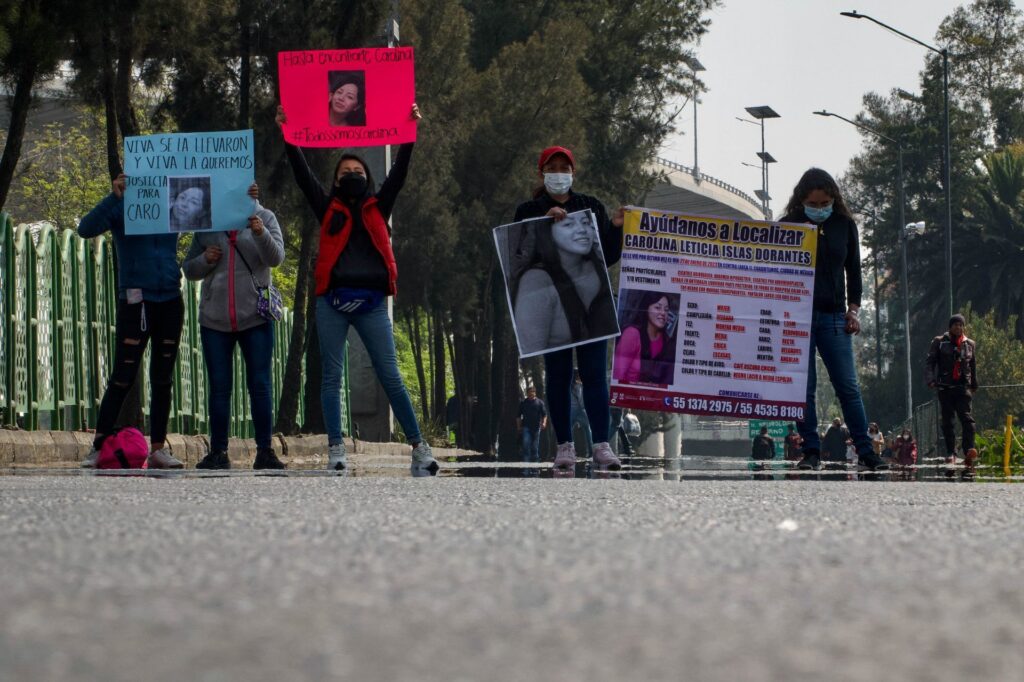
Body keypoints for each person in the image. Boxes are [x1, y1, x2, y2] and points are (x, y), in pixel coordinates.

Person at [276, 103, 437, 473]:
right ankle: (336, 450)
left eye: (357, 170)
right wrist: (288, 133)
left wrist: (409, 131)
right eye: (345, 171)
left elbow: (399, 173)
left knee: (391, 375)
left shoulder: (380, 206)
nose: (351, 174)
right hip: (331, 302)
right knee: (331, 377)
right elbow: (302, 176)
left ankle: (420, 447)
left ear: (367, 179)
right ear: (335, 181)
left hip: (372, 303)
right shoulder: (327, 206)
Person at [513, 145, 625, 470]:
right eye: (553, 167)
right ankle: (564, 446)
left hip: (592, 305)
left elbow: (608, 255)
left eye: (565, 167)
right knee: (558, 375)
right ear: (542, 172)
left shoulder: (589, 206)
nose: (559, 172)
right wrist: (540, 222)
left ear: (573, 173)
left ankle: (602, 445)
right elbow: (518, 253)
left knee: (594, 374)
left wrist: (616, 227)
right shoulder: (528, 209)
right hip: (552, 303)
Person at [780, 168, 888, 471]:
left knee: (848, 387)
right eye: (812, 204)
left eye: (824, 202)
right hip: (796, 320)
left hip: (833, 318)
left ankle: (867, 453)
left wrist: (853, 310)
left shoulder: (844, 225)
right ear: (801, 200)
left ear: (834, 199)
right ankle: (811, 451)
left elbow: (854, 272)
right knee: (804, 389)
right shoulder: (787, 225)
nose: (818, 209)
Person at [78, 173, 185, 469]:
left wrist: (246, 197)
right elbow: (85, 229)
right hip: (135, 300)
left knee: (163, 378)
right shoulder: (122, 204)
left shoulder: (174, 203)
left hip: (171, 298)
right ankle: (99, 446)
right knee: (123, 375)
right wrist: (114, 197)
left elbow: (217, 210)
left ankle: (159, 449)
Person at [183, 183, 286, 470]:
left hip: (256, 317)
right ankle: (218, 452)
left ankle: (265, 450)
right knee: (219, 388)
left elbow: (276, 257)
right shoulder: (207, 223)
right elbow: (189, 268)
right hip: (215, 320)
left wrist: (259, 233)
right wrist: (205, 259)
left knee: (260, 385)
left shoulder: (264, 218)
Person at [512, 209, 618, 354]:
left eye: (586, 222)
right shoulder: (535, 281)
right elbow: (531, 351)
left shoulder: (598, 265)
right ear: (547, 231)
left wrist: (616, 226)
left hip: (597, 361)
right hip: (559, 366)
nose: (582, 230)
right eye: (568, 224)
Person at [926, 314, 979, 472]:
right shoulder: (939, 342)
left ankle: (969, 450)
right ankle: (951, 452)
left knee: (967, 420)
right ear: (950, 327)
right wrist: (930, 379)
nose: (958, 327)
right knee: (948, 422)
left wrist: (974, 384)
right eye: (955, 324)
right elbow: (930, 362)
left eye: (960, 325)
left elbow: (973, 365)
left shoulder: (969, 344)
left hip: (963, 388)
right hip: (945, 388)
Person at [613, 291, 676, 385]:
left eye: (666, 310)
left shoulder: (666, 340)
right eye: (658, 307)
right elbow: (618, 375)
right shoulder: (632, 334)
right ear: (646, 308)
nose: (663, 313)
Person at [517, 386, 548, 465]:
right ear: (527, 393)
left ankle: (535, 467)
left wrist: (544, 423)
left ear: (535, 393)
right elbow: (518, 416)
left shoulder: (540, 402)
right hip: (526, 427)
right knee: (526, 444)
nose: (531, 393)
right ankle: (526, 466)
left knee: (535, 447)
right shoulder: (523, 403)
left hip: (536, 428)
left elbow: (544, 415)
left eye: (533, 392)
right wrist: (519, 426)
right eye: (530, 392)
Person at [570, 370, 593, 456]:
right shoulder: (579, 386)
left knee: (569, 432)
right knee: (587, 431)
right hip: (581, 410)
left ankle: (570, 452)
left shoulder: (568, 386)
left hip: (571, 411)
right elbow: (581, 399)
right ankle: (590, 452)